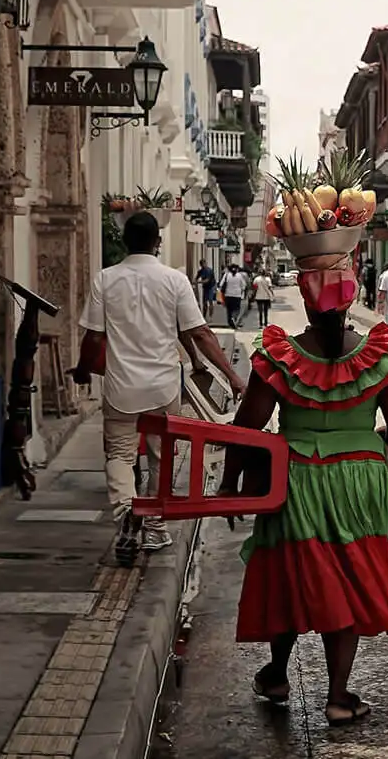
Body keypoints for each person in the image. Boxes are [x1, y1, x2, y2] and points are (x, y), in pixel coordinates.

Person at [228, 245, 388, 726]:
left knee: (294, 572)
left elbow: (248, 426)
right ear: (351, 300)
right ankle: (338, 695)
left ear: (307, 302)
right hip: (360, 481)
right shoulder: (380, 352)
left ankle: (276, 672)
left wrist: (231, 484)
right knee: (348, 576)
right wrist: (376, 437)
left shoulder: (280, 354)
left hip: (293, 479)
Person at [75, 213, 245, 553]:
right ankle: (153, 528)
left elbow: (94, 338)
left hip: (121, 386)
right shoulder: (175, 280)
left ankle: (126, 510)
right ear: (158, 242)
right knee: (159, 457)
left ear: (125, 241)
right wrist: (232, 375)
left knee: (120, 456)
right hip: (163, 388)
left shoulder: (105, 279)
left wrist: (83, 369)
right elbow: (200, 332)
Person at [220, 263, 251, 328]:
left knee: (229, 310)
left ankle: (230, 323)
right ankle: (234, 317)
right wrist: (241, 292)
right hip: (237, 295)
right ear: (237, 269)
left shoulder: (226, 275)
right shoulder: (239, 276)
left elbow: (221, 284)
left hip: (227, 295)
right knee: (237, 309)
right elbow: (243, 286)